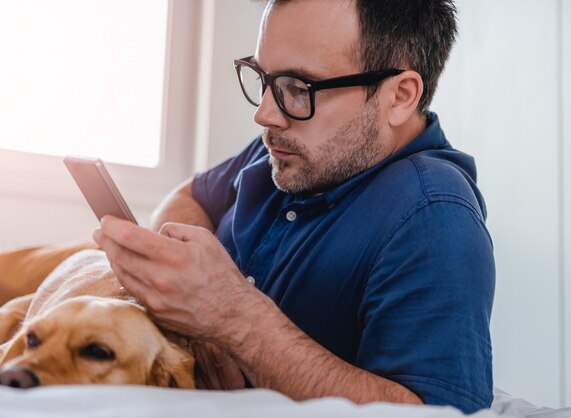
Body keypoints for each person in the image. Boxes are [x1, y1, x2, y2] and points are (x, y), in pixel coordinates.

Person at [93, 0, 495, 413]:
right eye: (264, 78)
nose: (265, 114)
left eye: (299, 88)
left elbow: (429, 413)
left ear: (400, 96)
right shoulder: (290, 150)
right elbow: (190, 197)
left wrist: (234, 320)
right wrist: (196, 303)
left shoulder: (434, 216)